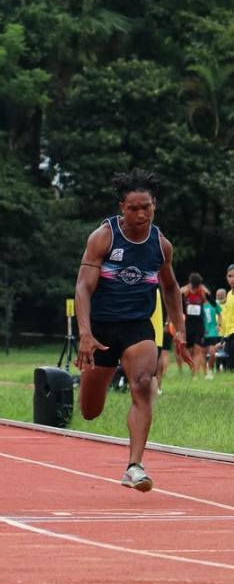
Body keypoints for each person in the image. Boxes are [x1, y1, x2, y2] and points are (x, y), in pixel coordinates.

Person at [74, 169, 191, 493]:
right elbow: (83, 287)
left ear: (154, 206)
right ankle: (88, 384)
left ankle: (134, 466)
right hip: (100, 329)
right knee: (90, 410)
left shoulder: (160, 245)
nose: (141, 214)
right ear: (121, 208)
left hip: (137, 326)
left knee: (142, 384)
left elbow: (170, 287)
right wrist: (84, 332)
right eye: (133, 208)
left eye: (147, 207)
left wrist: (178, 330)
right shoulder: (104, 237)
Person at [181, 273, 210, 377]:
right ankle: (192, 369)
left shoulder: (203, 291)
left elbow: (208, 306)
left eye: (196, 286)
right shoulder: (184, 291)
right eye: (193, 285)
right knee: (189, 350)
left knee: (198, 349)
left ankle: (195, 374)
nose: (194, 288)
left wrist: (208, 324)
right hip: (187, 324)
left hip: (199, 324)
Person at [203, 289, 223, 379]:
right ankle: (206, 372)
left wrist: (219, 324)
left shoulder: (214, 304)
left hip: (212, 332)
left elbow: (220, 314)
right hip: (203, 332)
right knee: (203, 353)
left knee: (212, 351)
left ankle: (210, 370)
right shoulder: (200, 305)